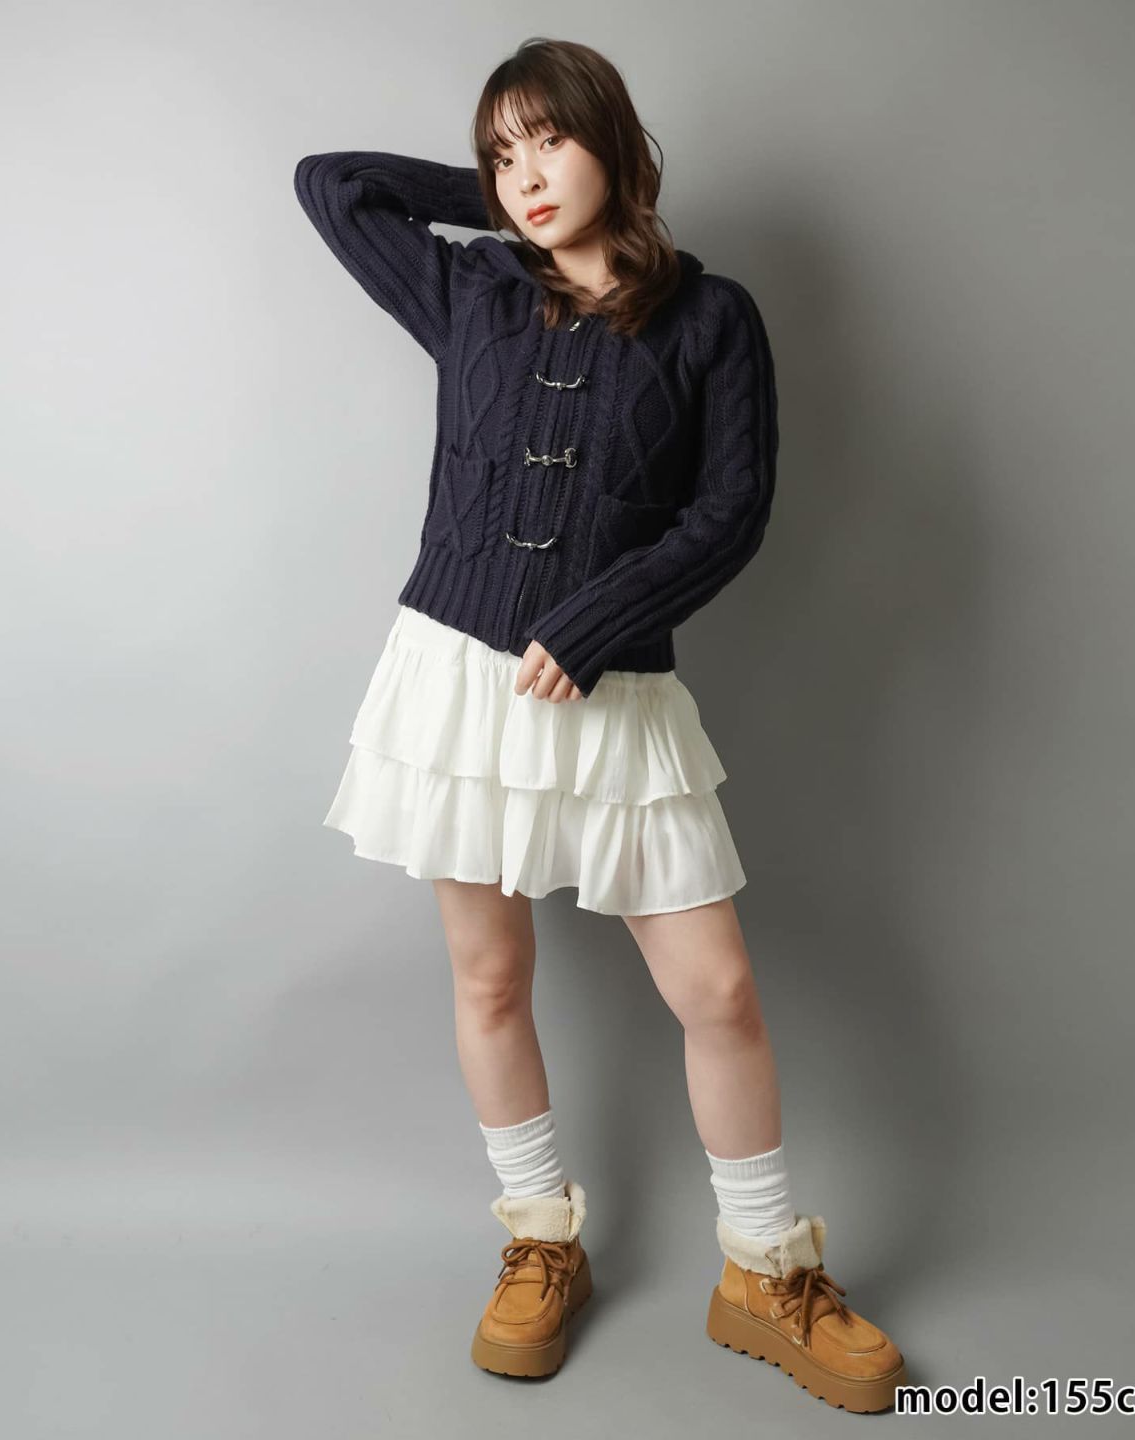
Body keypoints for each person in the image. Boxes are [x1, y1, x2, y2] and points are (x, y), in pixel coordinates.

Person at [294, 34, 906, 1414]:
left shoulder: (712, 318)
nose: (523, 177)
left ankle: (764, 1270)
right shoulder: (470, 288)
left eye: (550, 142)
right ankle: (539, 1240)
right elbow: (332, 183)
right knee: (490, 978)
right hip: (458, 681)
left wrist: (595, 622)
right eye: (500, 155)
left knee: (717, 991)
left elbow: (730, 513)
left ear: (615, 144)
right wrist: (490, 197)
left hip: (612, 687)